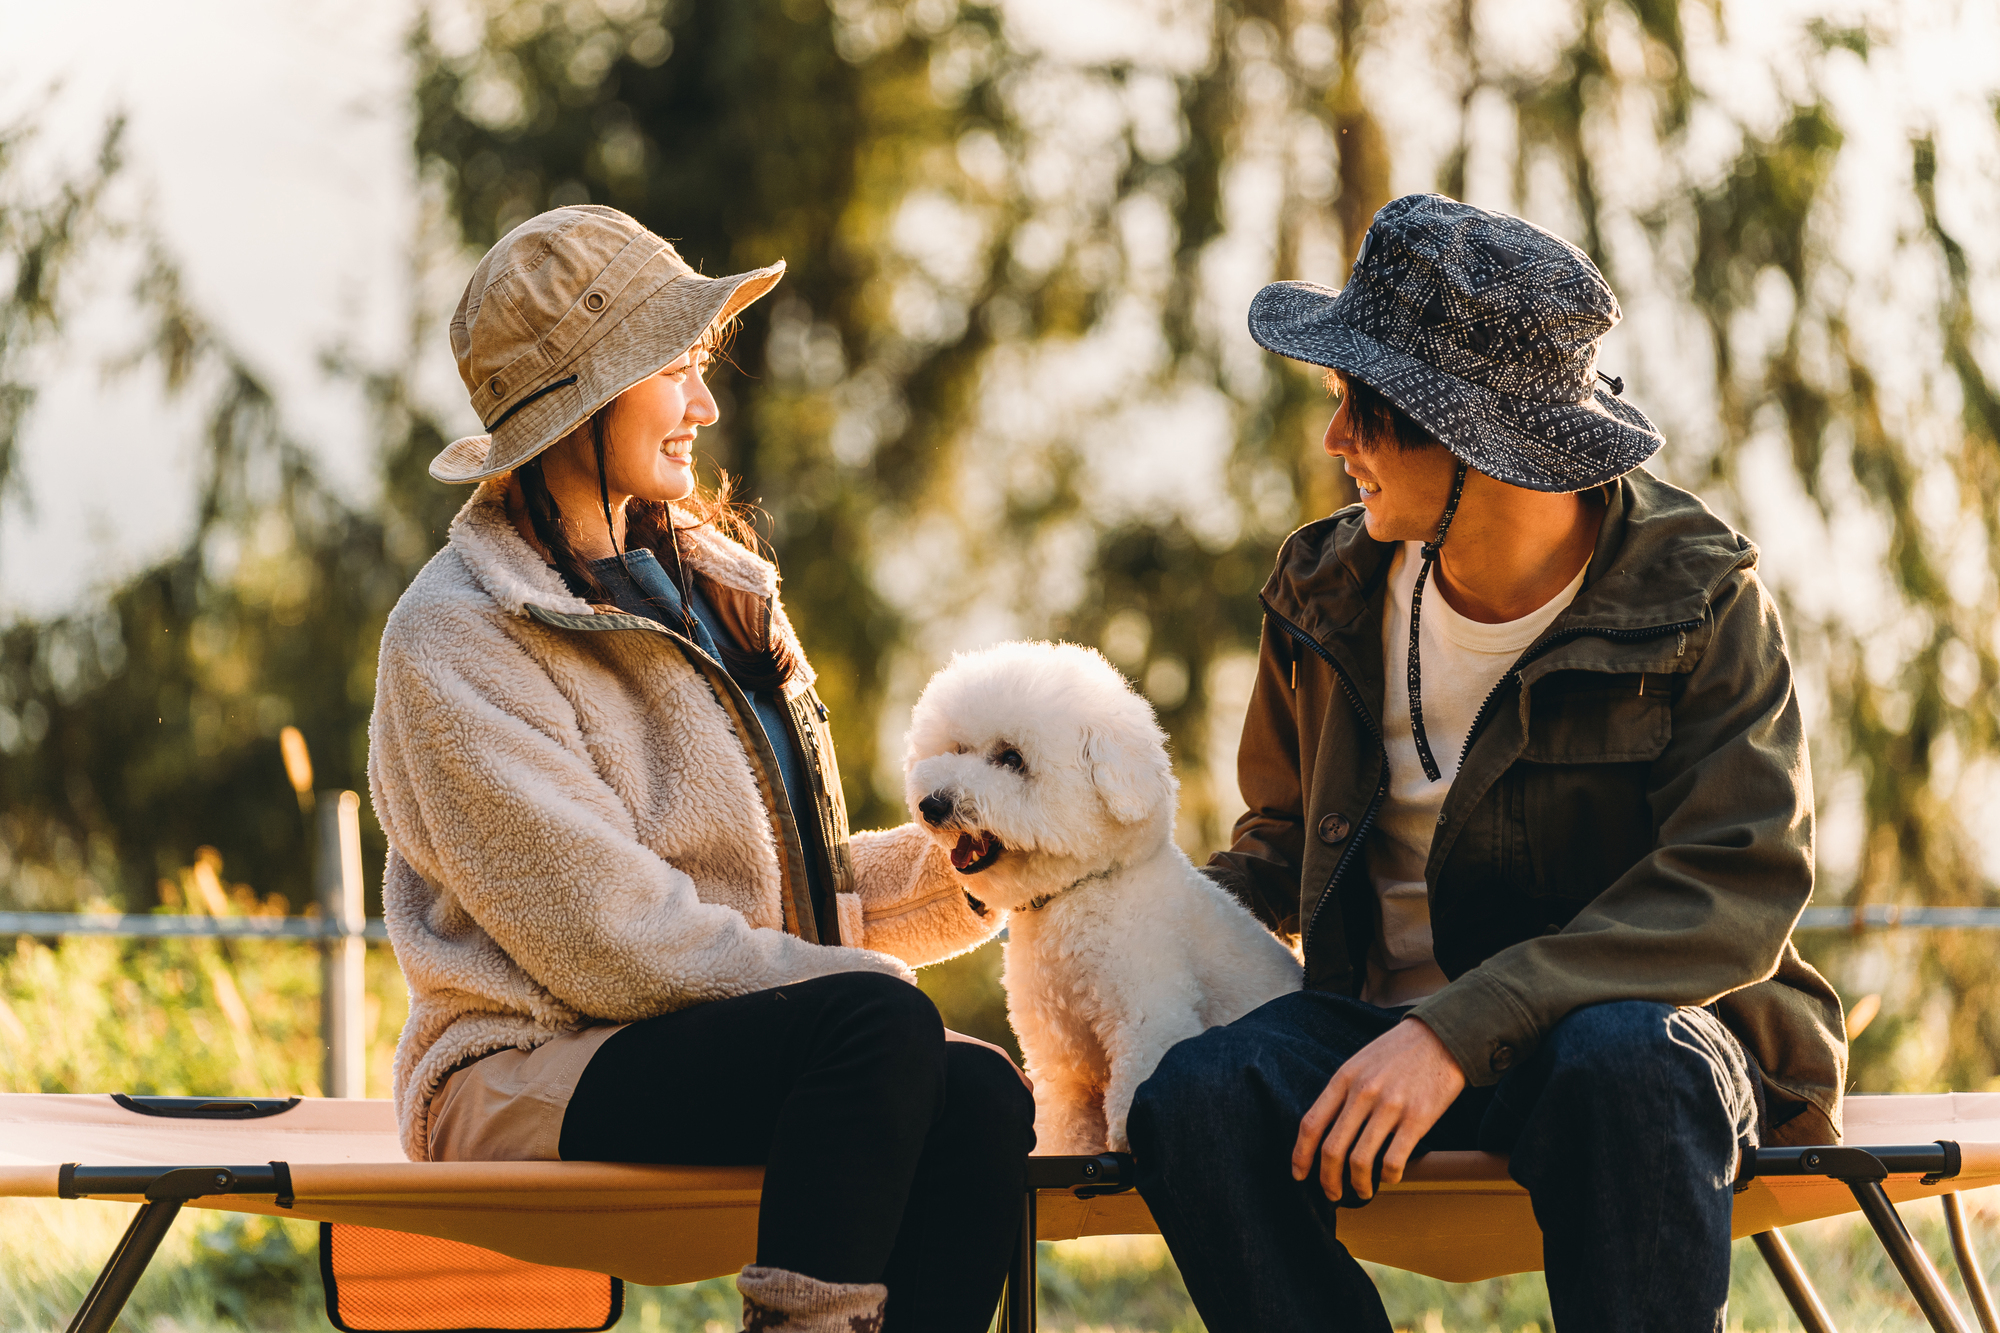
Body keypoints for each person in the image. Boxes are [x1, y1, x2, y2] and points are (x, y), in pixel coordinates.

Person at [1127, 194, 1847, 1332]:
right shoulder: (1321, 591)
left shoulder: (1699, 597)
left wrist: (1456, 1031)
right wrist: (1097, 928)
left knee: (1623, 1063)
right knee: (1197, 1099)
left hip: (1634, 1032)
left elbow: (1734, 889)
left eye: (1359, 409)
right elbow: (1271, 851)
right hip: (1375, 1032)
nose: (1333, 444)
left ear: (1467, 437)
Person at [367, 205, 1033, 1333]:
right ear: (586, 397)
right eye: (675, 370)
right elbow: (609, 936)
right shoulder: (455, 636)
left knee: (975, 1091)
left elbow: (798, 891)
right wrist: (861, 995)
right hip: (527, 1062)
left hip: (732, 1033)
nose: (705, 405)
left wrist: (988, 859)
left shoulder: (721, 590)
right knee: (882, 1030)